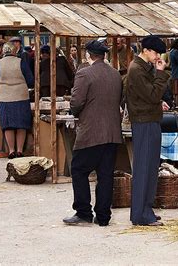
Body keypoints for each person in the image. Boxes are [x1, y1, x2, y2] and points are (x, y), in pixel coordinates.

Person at [63, 40, 123, 227]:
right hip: (112, 132)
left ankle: (83, 212)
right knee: (105, 175)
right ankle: (103, 216)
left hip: (91, 132)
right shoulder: (115, 74)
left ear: (88, 55)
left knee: (79, 169)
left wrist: (76, 112)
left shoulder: (84, 73)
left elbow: (76, 103)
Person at [126, 35, 170, 226]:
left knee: (151, 168)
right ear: (146, 50)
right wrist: (161, 74)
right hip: (143, 122)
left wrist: (160, 101)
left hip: (149, 119)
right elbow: (152, 95)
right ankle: (140, 214)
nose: (157, 56)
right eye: (155, 52)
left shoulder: (143, 68)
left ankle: (146, 209)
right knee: (144, 168)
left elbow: (149, 95)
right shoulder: (136, 69)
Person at [0, 43, 34, 159]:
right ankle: (20, 150)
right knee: (22, 124)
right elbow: (30, 80)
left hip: (5, 97)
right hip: (21, 96)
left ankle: (11, 151)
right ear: (15, 51)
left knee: (8, 125)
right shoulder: (21, 62)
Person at [169, 39, 178, 107]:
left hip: (174, 73)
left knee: (176, 92)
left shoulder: (171, 51)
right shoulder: (176, 52)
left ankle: (176, 105)